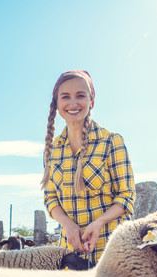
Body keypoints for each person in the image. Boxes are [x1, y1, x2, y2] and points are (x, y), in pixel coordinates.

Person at [41, 70, 135, 263]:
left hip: (112, 253)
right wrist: (67, 225)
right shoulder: (52, 150)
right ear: (57, 105)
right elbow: (50, 199)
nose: (73, 103)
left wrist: (99, 222)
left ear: (91, 102)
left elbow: (126, 195)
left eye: (81, 96)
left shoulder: (111, 141)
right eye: (65, 97)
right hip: (68, 255)